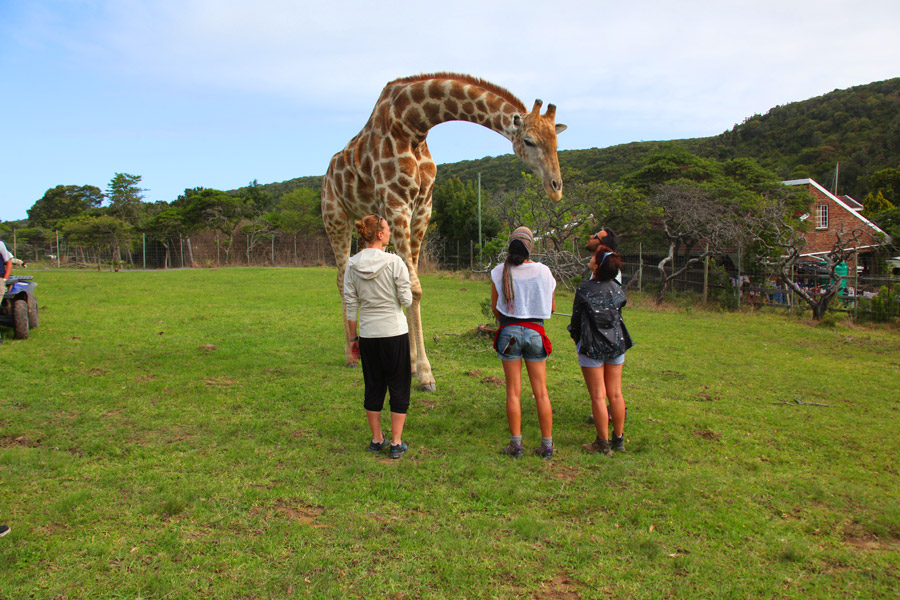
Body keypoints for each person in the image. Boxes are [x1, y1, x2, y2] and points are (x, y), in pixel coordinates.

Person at [343, 214, 414, 459]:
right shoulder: (395, 263)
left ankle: (376, 439)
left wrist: (353, 339)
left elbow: (350, 304)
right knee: (398, 384)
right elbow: (406, 300)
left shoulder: (352, 265)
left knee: (373, 385)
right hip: (394, 333)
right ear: (380, 235)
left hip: (368, 335)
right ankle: (396, 443)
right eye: (387, 230)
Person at [490, 227, 557, 459]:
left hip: (508, 333)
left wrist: (511, 322)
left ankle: (516, 445)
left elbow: (496, 309)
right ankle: (547, 446)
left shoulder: (499, 271)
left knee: (513, 392)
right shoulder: (544, 271)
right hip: (536, 333)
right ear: (531, 246)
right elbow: (552, 308)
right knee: (541, 393)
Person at [569, 244, 634, 456]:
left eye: (593, 257)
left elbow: (576, 320)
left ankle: (602, 443)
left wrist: (575, 338)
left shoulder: (584, 289)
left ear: (596, 265)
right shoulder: (617, 289)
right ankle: (619, 439)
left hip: (592, 346)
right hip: (616, 344)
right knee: (615, 392)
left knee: (598, 395)